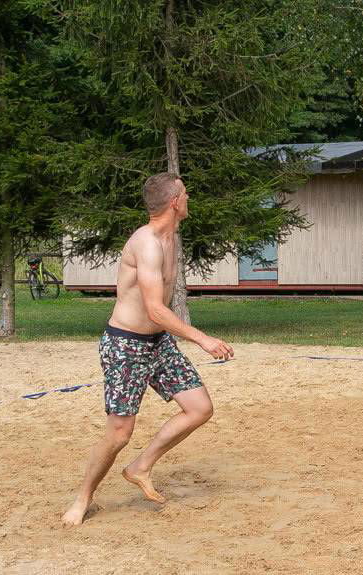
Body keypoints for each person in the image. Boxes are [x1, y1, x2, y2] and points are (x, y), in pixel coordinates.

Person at [62, 172, 234, 526]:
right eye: (185, 193)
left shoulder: (170, 238)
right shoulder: (147, 243)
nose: (188, 198)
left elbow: (158, 316)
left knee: (199, 408)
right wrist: (203, 339)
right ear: (174, 202)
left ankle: (141, 466)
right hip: (125, 345)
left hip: (157, 342)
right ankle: (83, 498)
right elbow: (155, 308)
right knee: (120, 432)